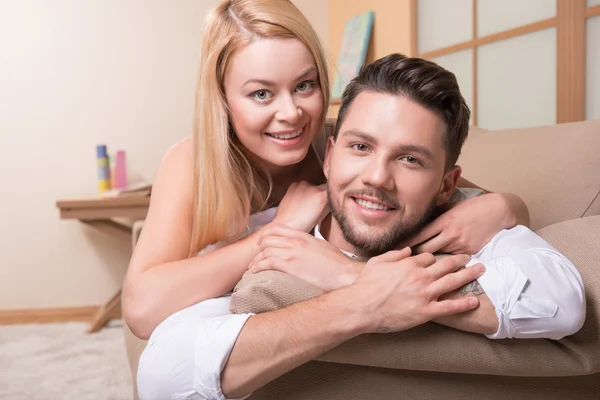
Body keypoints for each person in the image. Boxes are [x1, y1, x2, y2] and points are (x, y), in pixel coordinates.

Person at [126, 0, 529, 398]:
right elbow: (143, 310)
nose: (292, 113)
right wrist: (278, 232)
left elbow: (447, 189)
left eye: (305, 85)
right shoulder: (194, 162)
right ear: (223, 99)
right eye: (262, 94)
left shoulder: (342, 146)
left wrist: (508, 205)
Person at [247, 53, 586, 340]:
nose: (377, 177)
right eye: (361, 147)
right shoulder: (277, 227)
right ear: (331, 157)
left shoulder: (471, 225)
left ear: (446, 185)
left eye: (410, 159)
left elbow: (563, 304)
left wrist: (349, 277)